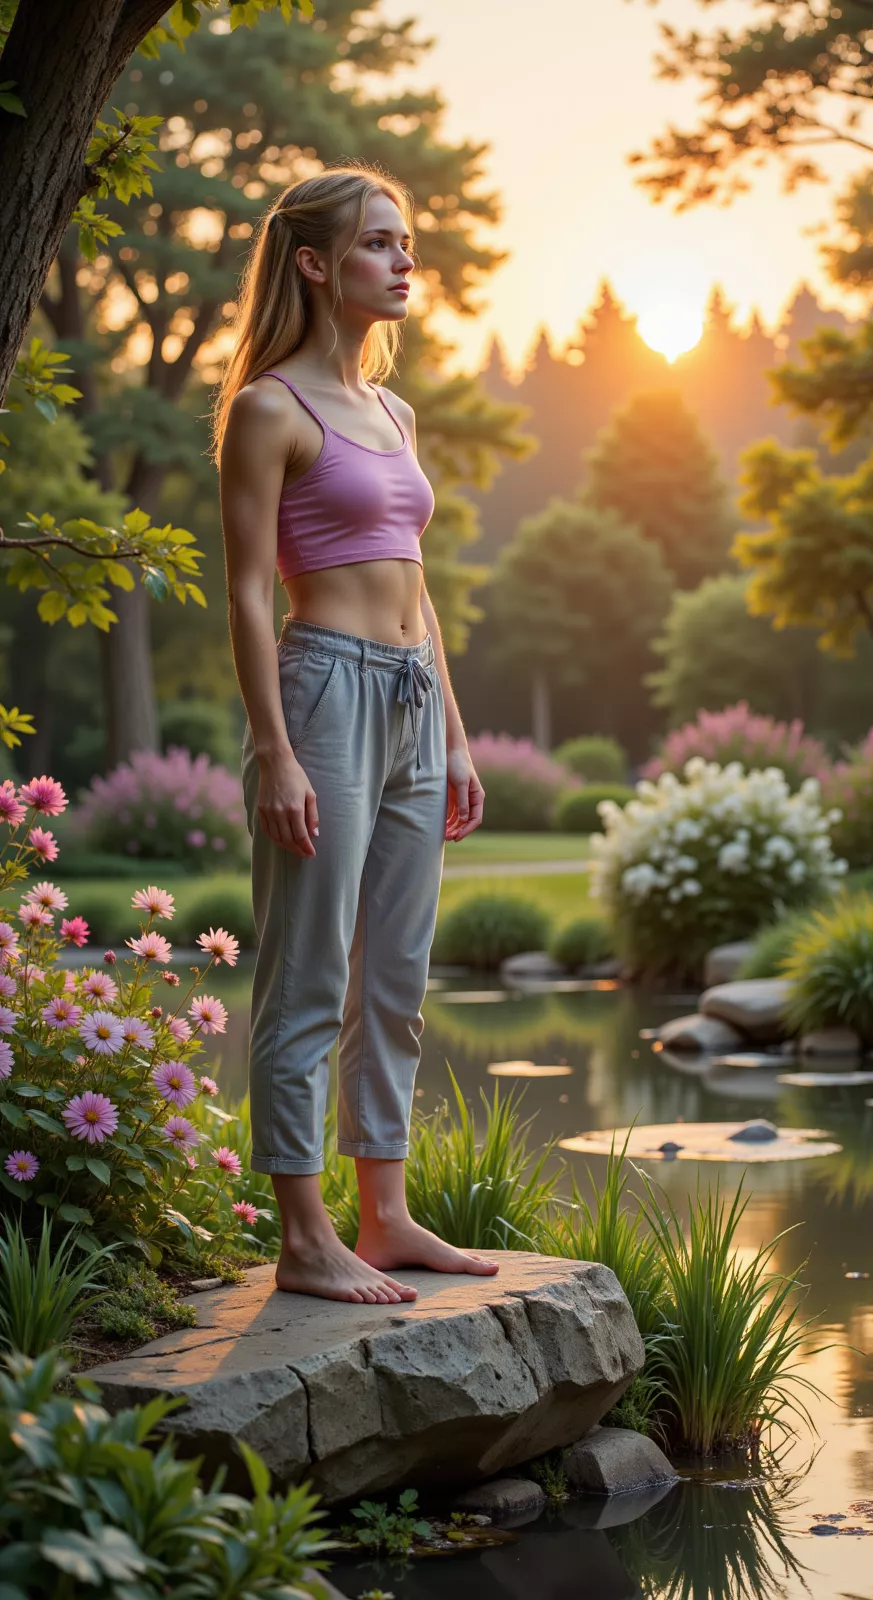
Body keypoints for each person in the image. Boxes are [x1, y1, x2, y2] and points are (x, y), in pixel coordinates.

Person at [213, 162, 498, 1305]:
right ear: (317, 265)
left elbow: (416, 587)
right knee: (307, 972)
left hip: (413, 703)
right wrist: (274, 747)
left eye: (407, 241)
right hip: (322, 690)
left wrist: (460, 735)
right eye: (380, 243)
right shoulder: (268, 408)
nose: (403, 260)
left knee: (396, 977)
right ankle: (304, 1234)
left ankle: (385, 1217)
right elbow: (242, 593)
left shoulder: (396, 411)